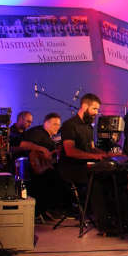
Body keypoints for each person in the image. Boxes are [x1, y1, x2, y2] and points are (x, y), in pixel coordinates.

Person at [58, 93, 116, 230]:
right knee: (97, 180)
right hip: (70, 169)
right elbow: (70, 151)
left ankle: (116, 217)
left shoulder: (89, 127)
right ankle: (104, 225)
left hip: (85, 165)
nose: (96, 113)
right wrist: (94, 157)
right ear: (84, 106)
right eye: (94, 109)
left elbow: (92, 148)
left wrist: (106, 155)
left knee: (113, 175)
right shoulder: (69, 125)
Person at [20, 113, 70, 218]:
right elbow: (23, 145)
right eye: (55, 124)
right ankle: (53, 209)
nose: (58, 127)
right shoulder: (38, 132)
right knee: (61, 179)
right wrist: (42, 149)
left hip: (45, 169)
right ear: (46, 124)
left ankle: (51, 210)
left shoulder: (50, 137)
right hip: (35, 173)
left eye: (59, 124)